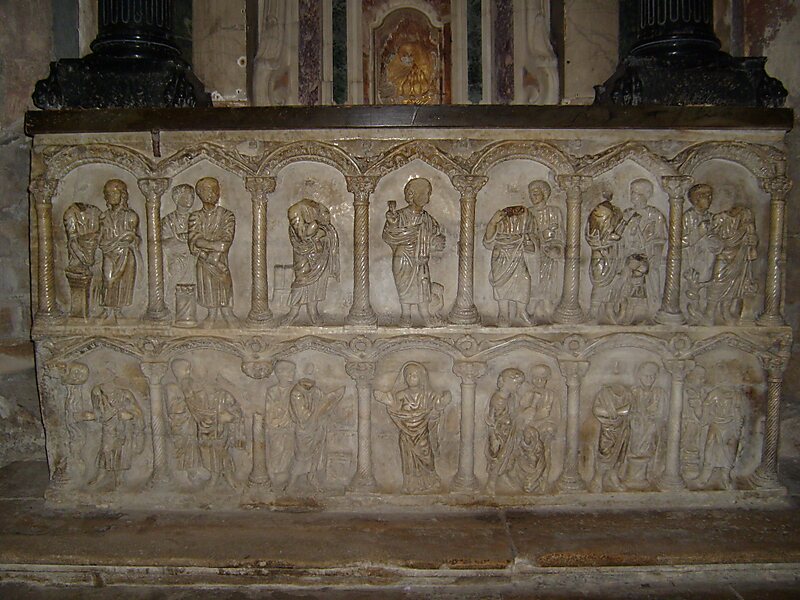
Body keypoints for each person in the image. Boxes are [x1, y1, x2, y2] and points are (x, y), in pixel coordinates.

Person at [375, 362, 451, 493]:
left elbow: (437, 406)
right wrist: (388, 402)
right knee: (409, 460)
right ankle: (411, 485)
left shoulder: (428, 394)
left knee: (427, 458)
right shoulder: (401, 395)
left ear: (421, 377)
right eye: (408, 375)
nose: (411, 377)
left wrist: (443, 401)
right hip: (406, 434)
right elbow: (395, 410)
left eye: (415, 375)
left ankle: (430, 483)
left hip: (422, 434)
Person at [383, 178, 446, 327]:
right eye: (424, 193)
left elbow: (436, 237)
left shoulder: (428, 219)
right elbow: (388, 235)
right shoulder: (399, 216)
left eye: (429, 193)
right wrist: (392, 224)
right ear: (411, 194)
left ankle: (425, 314)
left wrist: (436, 241)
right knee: (404, 287)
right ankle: (405, 315)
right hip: (403, 256)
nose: (428, 197)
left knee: (423, 285)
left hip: (421, 259)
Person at [188, 177, 236, 327]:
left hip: (220, 260)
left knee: (224, 284)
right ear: (200, 193)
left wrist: (212, 251)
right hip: (204, 261)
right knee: (207, 286)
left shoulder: (227, 215)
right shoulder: (195, 217)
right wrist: (209, 253)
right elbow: (194, 241)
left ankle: (227, 313)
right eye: (208, 190)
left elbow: (225, 242)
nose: (213, 193)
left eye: (216, 189)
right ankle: (211, 315)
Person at [283, 199, 340, 325]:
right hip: (303, 253)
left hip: (319, 256)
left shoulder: (318, 212)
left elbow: (327, 229)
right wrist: (314, 236)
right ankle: (293, 312)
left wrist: (319, 235)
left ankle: (312, 311)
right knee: (301, 280)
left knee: (317, 283)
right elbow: (300, 235)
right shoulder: (295, 212)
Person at [287, 378, 344, 493]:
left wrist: (329, 404)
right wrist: (319, 411)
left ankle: (312, 476)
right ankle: (291, 483)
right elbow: (302, 416)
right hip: (305, 430)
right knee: (302, 455)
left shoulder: (315, 390)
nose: (310, 387)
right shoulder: (296, 394)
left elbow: (324, 402)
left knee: (316, 453)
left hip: (318, 427)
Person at [619, 179, 667, 315]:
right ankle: (623, 309)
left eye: (636, 193)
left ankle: (653, 310)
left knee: (651, 280)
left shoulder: (655, 215)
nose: (632, 195)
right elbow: (620, 236)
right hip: (628, 256)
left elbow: (661, 238)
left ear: (647, 194)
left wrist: (648, 251)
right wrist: (630, 232)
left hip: (649, 257)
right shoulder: (627, 213)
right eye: (631, 192)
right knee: (624, 281)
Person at [483, 200, 535, 326]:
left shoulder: (522, 232)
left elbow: (531, 248)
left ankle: (521, 312)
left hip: (517, 258)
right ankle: (503, 314)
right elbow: (488, 240)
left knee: (524, 280)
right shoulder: (498, 223)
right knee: (501, 285)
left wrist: (527, 242)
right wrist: (493, 222)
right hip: (501, 257)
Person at [98, 179, 140, 322]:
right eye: (108, 193)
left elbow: (133, 237)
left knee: (123, 282)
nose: (111, 196)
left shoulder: (130, 216)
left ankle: (118, 310)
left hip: (125, 254)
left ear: (122, 195)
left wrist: (127, 239)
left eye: (114, 193)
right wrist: (112, 242)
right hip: (109, 253)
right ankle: (106, 309)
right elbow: (101, 236)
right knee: (107, 279)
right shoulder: (104, 216)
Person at [88, 383, 144, 491]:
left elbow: (137, 411)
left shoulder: (125, 394)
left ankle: (119, 477)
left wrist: (130, 415)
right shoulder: (97, 392)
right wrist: (98, 416)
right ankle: (101, 474)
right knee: (106, 449)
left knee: (120, 450)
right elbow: (97, 411)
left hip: (122, 427)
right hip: (108, 427)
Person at [527, 181, 565, 318]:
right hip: (533, 253)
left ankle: (547, 302)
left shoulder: (554, 212)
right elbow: (525, 234)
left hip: (550, 252)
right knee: (533, 278)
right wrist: (540, 236)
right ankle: (532, 303)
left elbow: (561, 235)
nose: (533, 197)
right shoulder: (528, 213)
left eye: (536, 193)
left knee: (548, 279)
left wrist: (557, 248)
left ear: (544, 194)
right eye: (531, 194)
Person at [624, 362, 665, 488]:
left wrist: (652, 417)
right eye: (646, 376)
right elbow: (628, 411)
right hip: (636, 428)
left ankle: (647, 476)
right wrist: (636, 417)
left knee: (648, 449)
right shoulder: (634, 392)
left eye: (652, 376)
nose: (649, 379)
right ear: (639, 376)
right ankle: (634, 478)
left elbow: (662, 413)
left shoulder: (659, 393)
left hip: (651, 428)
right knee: (635, 450)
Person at [486, 368, 525, 494]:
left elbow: (514, 413)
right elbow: (492, 419)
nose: (518, 387)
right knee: (499, 457)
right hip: (499, 434)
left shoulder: (512, 397)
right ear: (506, 383)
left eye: (519, 384)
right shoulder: (498, 399)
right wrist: (494, 437)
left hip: (509, 432)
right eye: (516, 384)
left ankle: (503, 474)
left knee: (509, 454)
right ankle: (491, 482)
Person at [585, 195, 624, 321]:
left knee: (613, 284)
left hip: (612, 256)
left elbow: (615, 234)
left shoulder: (613, 216)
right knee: (599, 284)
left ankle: (608, 310)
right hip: (600, 258)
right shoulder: (596, 226)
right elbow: (600, 237)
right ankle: (594, 311)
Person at [264, 360, 297, 489]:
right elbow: (270, 413)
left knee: (288, 456)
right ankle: (275, 481)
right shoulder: (272, 391)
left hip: (290, 430)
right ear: (279, 373)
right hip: (275, 430)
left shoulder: (296, 390)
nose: (292, 374)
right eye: (289, 371)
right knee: (275, 455)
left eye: (293, 371)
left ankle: (283, 482)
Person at [161, 184, 195, 285]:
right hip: (175, 259)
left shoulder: (195, 219)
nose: (190, 198)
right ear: (177, 198)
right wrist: (179, 239)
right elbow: (164, 243)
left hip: (192, 258)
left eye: (192, 196)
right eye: (186, 195)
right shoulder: (168, 220)